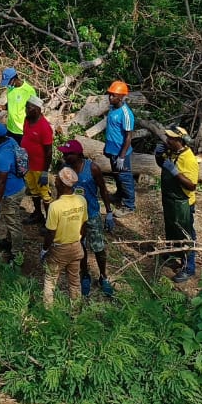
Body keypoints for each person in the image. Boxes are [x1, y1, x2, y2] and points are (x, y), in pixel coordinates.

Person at [56, 140, 116, 298]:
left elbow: (103, 189)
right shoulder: (65, 170)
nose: (66, 156)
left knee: (98, 248)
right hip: (74, 216)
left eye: (69, 154)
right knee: (79, 247)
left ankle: (103, 276)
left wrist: (109, 212)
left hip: (91, 214)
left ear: (79, 154)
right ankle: (85, 275)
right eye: (64, 153)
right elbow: (60, 192)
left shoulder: (92, 168)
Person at [156, 126, 199, 283]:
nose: (167, 140)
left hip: (183, 202)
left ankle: (189, 267)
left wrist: (175, 172)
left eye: (171, 138)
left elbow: (192, 185)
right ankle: (172, 252)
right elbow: (162, 164)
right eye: (167, 137)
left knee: (186, 234)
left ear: (180, 141)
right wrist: (158, 155)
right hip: (170, 198)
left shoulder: (189, 159)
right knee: (171, 227)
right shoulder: (172, 152)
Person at [42, 166, 88, 306]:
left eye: (57, 178)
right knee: (74, 282)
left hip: (59, 249)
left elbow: (51, 232)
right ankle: (75, 312)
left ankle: (48, 312)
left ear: (61, 184)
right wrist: (79, 240)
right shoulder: (81, 200)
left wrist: (44, 249)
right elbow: (84, 225)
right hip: (76, 247)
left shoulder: (55, 206)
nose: (54, 180)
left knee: (50, 280)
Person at [0, 122, 26, 264]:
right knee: (10, 218)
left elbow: (2, 182)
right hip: (18, 186)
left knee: (13, 222)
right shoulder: (10, 140)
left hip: (11, 192)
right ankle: (9, 241)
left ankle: (16, 254)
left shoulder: (3, 156)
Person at [103, 80, 136, 215]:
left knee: (125, 177)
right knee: (116, 175)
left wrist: (122, 156)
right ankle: (119, 195)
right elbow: (111, 129)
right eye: (110, 94)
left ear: (121, 97)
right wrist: (107, 147)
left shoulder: (126, 113)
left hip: (121, 152)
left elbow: (128, 136)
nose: (110, 97)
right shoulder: (112, 109)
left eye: (114, 95)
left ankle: (129, 205)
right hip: (112, 149)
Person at [20, 96, 54, 225]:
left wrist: (45, 172)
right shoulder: (27, 120)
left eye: (29, 108)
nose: (26, 110)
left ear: (38, 109)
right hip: (28, 164)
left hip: (40, 167)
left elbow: (49, 151)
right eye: (26, 107)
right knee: (33, 191)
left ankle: (49, 222)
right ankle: (38, 214)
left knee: (45, 194)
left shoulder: (44, 127)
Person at [0, 67, 36, 147]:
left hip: (22, 130)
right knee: (12, 153)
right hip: (10, 128)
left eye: (8, 83)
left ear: (15, 78)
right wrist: (3, 107)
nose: (8, 85)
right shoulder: (10, 89)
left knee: (23, 155)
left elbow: (35, 111)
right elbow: (11, 104)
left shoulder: (29, 91)